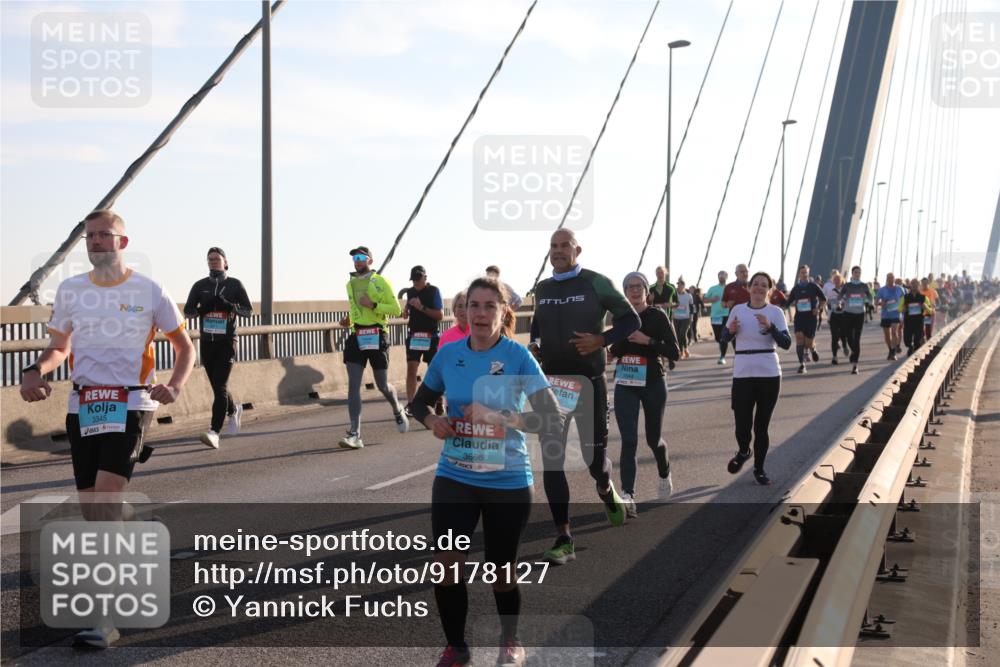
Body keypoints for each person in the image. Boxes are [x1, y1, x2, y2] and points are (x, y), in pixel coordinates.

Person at [19, 210, 196, 649]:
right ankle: (126, 521)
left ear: (122, 241)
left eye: (104, 235)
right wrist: (36, 369)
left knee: (101, 506)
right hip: (83, 405)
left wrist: (174, 385)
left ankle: (104, 618)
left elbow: (184, 347)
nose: (96, 241)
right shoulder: (71, 290)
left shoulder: (149, 289)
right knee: (94, 509)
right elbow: (60, 347)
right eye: (90, 236)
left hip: (132, 402)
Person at [409, 277, 563, 667]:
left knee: (500, 569)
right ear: (464, 311)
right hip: (455, 474)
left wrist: (501, 416)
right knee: (447, 562)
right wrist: (433, 422)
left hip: (506, 479)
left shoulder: (518, 357)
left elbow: (550, 417)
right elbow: (419, 404)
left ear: (502, 312)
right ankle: (456, 647)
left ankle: (510, 640)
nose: (480, 313)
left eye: (489, 306)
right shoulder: (448, 355)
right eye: (473, 305)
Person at [530, 229, 640, 565]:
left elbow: (630, 319)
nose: (559, 251)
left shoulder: (596, 282)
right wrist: (534, 344)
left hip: (589, 384)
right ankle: (564, 537)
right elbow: (538, 324)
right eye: (553, 246)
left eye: (565, 246)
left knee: (595, 463)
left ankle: (607, 490)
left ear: (578, 250)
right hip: (552, 385)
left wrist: (601, 341)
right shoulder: (543, 288)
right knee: (552, 459)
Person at [611, 272, 679, 516]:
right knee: (629, 440)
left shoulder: (657, 316)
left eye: (639, 286)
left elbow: (675, 352)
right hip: (625, 383)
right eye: (629, 287)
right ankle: (628, 495)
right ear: (625, 292)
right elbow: (615, 348)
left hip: (653, 382)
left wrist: (647, 340)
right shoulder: (620, 317)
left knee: (653, 440)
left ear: (647, 291)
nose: (635, 290)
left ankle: (664, 471)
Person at [721, 271, 792, 486]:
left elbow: (786, 343)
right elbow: (724, 338)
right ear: (749, 288)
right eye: (756, 284)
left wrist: (771, 328)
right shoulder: (738, 310)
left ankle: (759, 469)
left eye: (764, 285)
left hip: (769, 373)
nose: (759, 288)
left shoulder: (775, 312)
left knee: (761, 426)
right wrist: (730, 332)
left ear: (769, 290)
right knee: (742, 425)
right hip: (743, 373)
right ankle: (744, 450)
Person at [339, 245, 408, 449]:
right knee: (353, 385)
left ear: (370, 260)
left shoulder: (381, 282)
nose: (357, 261)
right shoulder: (350, 284)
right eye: (355, 258)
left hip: (377, 334)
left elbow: (396, 309)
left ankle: (397, 408)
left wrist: (374, 305)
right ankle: (355, 434)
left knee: (382, 385)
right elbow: (356, 311)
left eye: (361, 257)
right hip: (357, 335)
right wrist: (348, 320)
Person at [183, 247, 253, 449]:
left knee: (220, 386)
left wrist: (230, 306)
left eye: (217, 259)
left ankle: (214, 431)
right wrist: (200, 310)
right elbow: (188, 312)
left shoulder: (234, 284)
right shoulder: (200, 286)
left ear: (225, 262)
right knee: (217, 387)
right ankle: (233, 409)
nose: (213, 262)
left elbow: (247, 311)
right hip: (207, 342)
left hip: (227, 342)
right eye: (210, 259)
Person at [402, 265, 444, 415]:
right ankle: (411, 403)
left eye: (418, 280)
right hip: (414, 336)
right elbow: (408, 307)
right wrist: (406, 311)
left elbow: (440, 315)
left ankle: (438, 400)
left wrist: (421, 308)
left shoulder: (434, 291)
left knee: (433, 370)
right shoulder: (410, 291)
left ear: (425, 278)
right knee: (411, 369)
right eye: (413, 280)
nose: (416, 284)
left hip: (431, 336)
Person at [786, 265, 826, 373]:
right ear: (799, 274)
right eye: (802, 272)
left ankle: (813, 349)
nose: (804, 274)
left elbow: (823, 299)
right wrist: (779, 307)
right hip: (799, 317)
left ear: (808, 273)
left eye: (805, 272)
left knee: (808, 342)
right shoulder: (796, 288)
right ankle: (802, 365)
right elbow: (788, 302)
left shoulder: (814, 286)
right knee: (799, 338)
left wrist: (818, 308)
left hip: (811, 318)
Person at [838, 266, 871, 375]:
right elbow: (840, 296)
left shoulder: (864, 285)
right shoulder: (847, 285)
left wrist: (870, 302)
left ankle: (855, 365)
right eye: (856, 272)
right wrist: (840, 302)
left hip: (859, 314)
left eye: (859, 272)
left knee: (857, 339)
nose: (857, 274)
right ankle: (853, 351)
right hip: (848, 313)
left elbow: (870, 296)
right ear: (852, 274)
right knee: (848, 337)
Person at [876, 272, 905, 360]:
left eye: (892, 278)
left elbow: (904, 300)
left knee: (894, 331)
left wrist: (903, 308)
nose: (890, 279)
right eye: (888, 278)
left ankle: (893, 351)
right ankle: (890, 350)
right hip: (885, 315)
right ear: (886, 279)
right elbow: (876, 302)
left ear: (894, 279)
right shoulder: (882, 290)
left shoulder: (900, 289)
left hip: (896, 314)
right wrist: (881, 303)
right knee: (887, 335)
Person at [900, 278, 933, 355]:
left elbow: (931, 311)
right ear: (910, 285)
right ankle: (910, 347)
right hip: (908, 322)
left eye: (916, 284)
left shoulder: (923, 297)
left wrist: (926, 307)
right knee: (907, 341)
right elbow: (899, 309)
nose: (914, 285)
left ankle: (914, 354)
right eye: (913, 283)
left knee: (917, 341)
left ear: (919, 286)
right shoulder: (905, 297)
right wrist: (904, 309)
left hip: (919, 322)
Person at [703, 270, 730, 364]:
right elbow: (704, 300)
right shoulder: (712, 288)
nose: (721, 277)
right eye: (720, 276)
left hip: (726, 315)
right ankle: (723, 346)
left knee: (723, 336)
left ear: (726, 277)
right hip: (715, 316)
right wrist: (712, 299)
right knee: (718, 337)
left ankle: (722, 357)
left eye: (723, 276)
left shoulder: (729, 288)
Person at [824, 272, 848, 364]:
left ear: (841, 280)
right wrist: (831, 305)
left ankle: (845, 346)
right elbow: (828, 304)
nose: (837, 281)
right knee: (834, 337)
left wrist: (843, 304)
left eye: (838, 280)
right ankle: (834, 357)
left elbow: (849, 302)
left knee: (843, 335)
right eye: (835, 280)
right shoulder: (831, 291)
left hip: (843, 315)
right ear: (833, 281)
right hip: (834, 315)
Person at [672, 279, 693, 359]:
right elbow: (671, 305)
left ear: (684, 286)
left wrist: (691, 317)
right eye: (678, 285)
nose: (679, 286)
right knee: (678, 335)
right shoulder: (674, 295)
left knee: (682, 333)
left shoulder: (688, 296)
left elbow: (691, 307)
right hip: (676, 317)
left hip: (686, 318)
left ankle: (686, 348)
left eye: (681, 285)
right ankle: (681, 351)